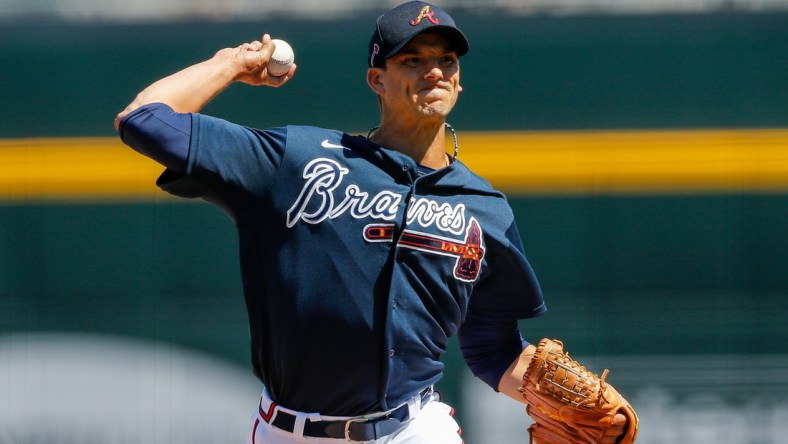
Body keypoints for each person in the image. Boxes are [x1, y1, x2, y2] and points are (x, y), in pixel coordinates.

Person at [115, 1, 629, 442]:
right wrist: (229, 63)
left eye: (446, 59)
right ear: (377, 80)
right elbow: (144, 121)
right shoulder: (298, 159)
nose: (434, 71)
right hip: (289, 430)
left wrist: (570, 400)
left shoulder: (483, 208)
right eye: (413, 59)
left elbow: (491, 346)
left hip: (414, 428)